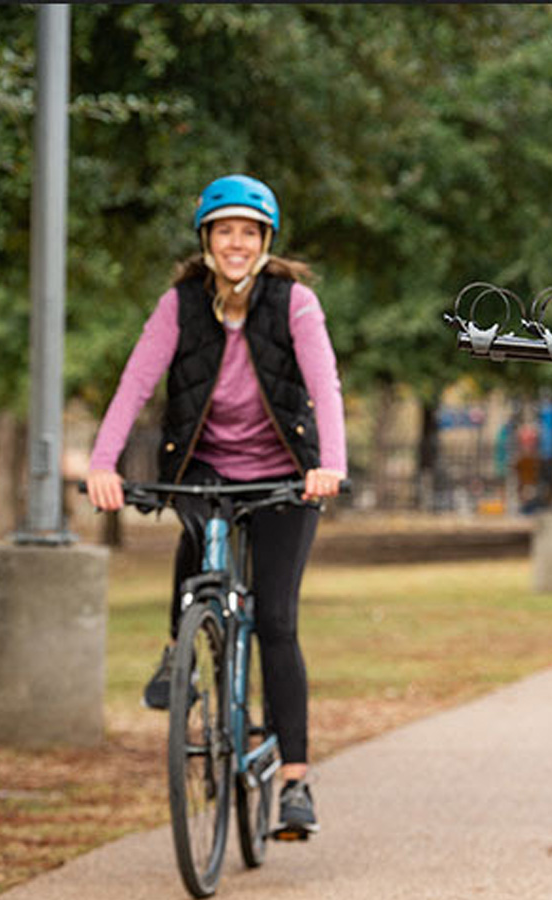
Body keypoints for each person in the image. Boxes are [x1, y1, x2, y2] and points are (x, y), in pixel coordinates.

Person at [85, 173, 346, 839]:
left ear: (265, 242)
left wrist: (329, 465)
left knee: (279, 621)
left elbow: (325, 384)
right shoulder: (179, 305)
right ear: (207, 239)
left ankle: (294, 781)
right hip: (205, 465)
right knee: (199, 527)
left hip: (287, 474)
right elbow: (136, 382)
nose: (236, 242)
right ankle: (181, 648)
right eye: (224, 230)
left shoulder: (295, 303)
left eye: (248, 232)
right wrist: (101, 462)